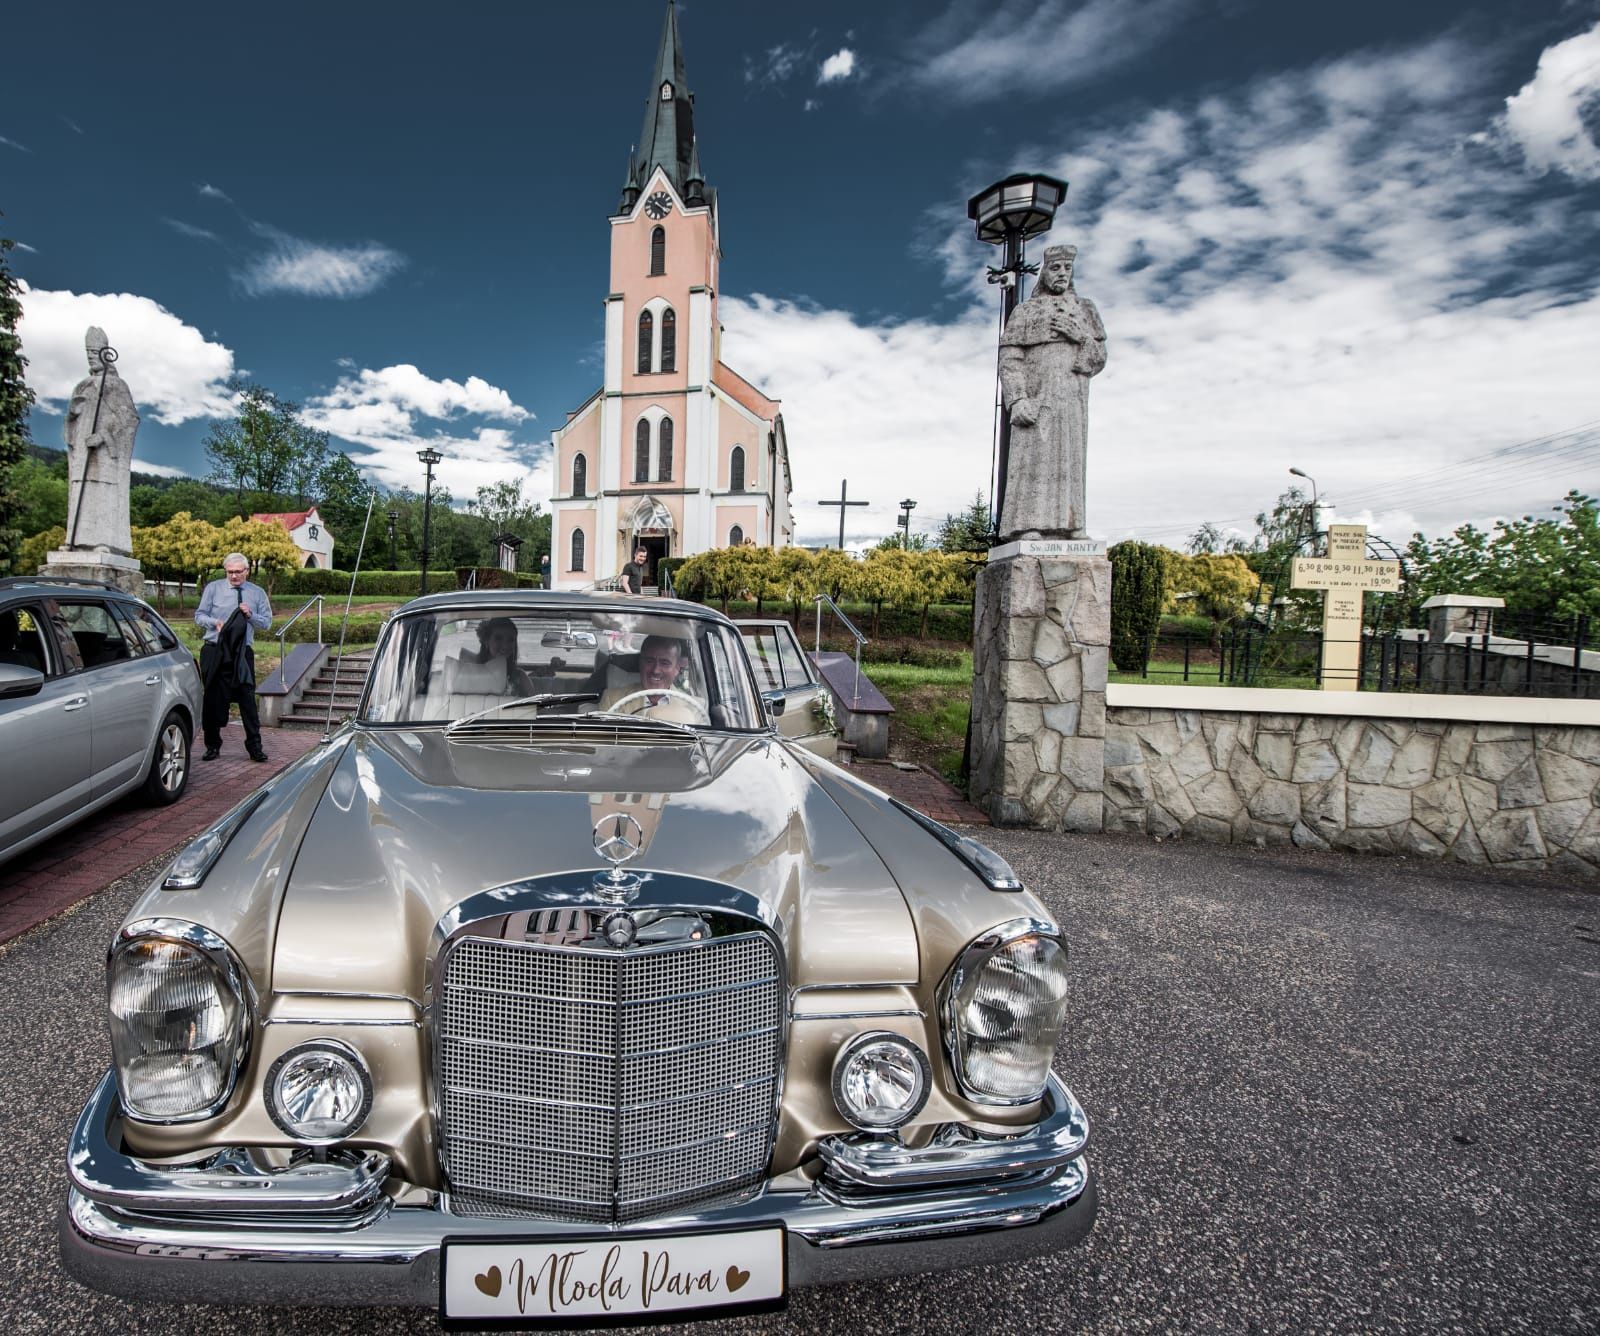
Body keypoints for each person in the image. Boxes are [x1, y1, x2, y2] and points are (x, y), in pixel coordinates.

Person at [997, 244, 1107, 541]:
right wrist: (1017, 399)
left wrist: (1080, 335)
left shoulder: (1084, 310)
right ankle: (1027, 525)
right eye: (1055, 268)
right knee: (1034, 459)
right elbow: (1009, 358)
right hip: (1037, 396)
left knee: (1070, 459)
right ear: (1044, 272)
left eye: (1067, 268)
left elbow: (1098, 358)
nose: (1061, 273)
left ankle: (1072, 525)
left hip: (1072, 399)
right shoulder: (1027, 311)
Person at [195, 552, 273, 762]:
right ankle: (212, 746)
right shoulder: (213, 588)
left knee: (247, 699)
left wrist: (250, 616)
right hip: (214, 649)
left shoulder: (257, 593)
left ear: (246, 571)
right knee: (212, 698)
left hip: (241, 654)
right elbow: (199, 616)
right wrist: (215, 623)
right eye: (230, 572)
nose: (234, 576)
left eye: (238, 572)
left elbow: (266, 623)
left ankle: (255, 747)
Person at [598, 634, 701, 723]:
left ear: (677, 669)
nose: (656, 670)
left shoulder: (694, 707)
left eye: (665, 663)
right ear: (640, 664)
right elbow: (604, 742)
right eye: (649, 661)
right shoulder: (612, 699)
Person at [463, 616, 535, 695]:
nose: (505, 646)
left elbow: (535, 704)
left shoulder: (520, 677)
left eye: (510, 640)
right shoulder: (470, 673)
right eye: (498, 638)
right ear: (487, 641)